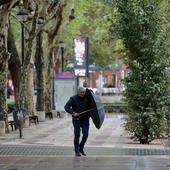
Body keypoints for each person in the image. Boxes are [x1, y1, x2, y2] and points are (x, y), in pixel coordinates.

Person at [64, 86, 91, 157]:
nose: (83, 94)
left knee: (85, 135)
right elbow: (66, 107)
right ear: (78, 92)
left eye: (84, 92)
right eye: (81, 92)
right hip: (77, 120)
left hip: (85, 119)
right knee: (77, 135)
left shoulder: (87, 98)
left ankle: (81, 147)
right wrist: (73, 113)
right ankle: (77, 151)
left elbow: (91, 106)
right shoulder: (73, 98)